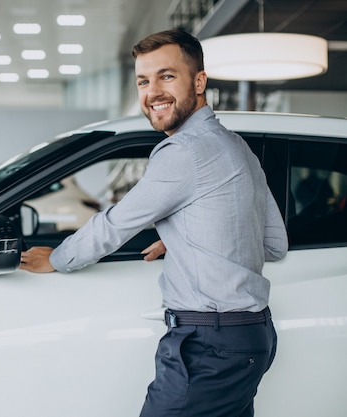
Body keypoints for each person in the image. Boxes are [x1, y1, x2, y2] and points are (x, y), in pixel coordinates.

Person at [20, 29, 288, 417]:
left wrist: (57, 259)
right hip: (250, 338)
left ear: (198, 82)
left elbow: (115, 224)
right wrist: (188, 235)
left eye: (167, 76)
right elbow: (274, 243)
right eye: (144, 81)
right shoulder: (237, 147)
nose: (152, 92)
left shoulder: (184, 150)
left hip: (208, 345)